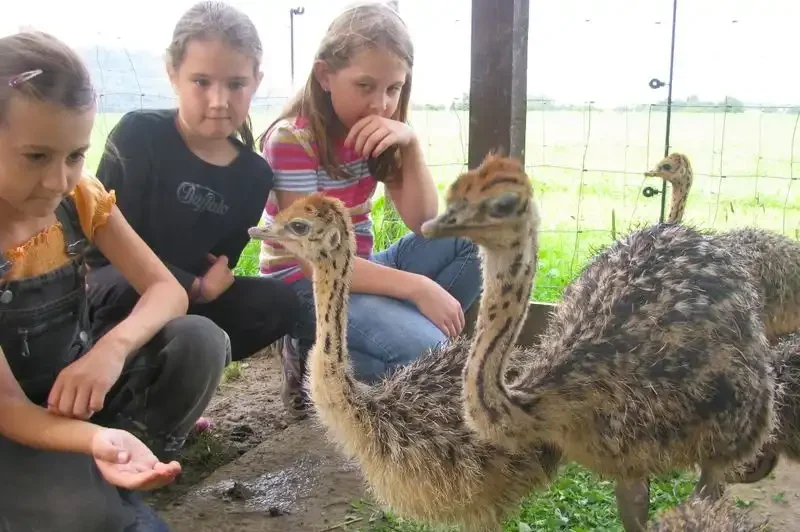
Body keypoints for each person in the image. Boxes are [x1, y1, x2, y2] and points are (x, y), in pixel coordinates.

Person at [0, 31, 231, 531]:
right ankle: (100, 475)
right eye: (36, 157)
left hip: (79, 393)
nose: (59, 179)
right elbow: (7, 407)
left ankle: (128, 461)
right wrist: (91, 441)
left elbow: (167, 290)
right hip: (12, 420)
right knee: (83, 514)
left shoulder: (79, 198)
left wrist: (110, 352)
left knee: (200, 340)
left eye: (75, 154)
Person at [258, 2, 482, 417]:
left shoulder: (380, 132)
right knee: (428, 350)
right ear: (326, 76)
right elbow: (316, 264)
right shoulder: (292, 140)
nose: (381, 103)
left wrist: (409, 145)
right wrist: (418, 288)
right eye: (365, 86)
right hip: (303, 286)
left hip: (360, 267)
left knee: (475, 244)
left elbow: (426, 223)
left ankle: (382, 345)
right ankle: (313, 359)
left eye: (393, 89)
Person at [86, 2, 300, 373]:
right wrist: (192, 286)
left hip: (188, 297)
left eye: (236, 84)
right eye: (202, 82)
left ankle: (179, 374)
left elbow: (218, 264)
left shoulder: (254, 175)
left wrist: (204, 287)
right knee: (127, 284)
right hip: (115, 288)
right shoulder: (139, 136)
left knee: (278, 302)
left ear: (256, 82)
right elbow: (96, 244)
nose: (219, 102)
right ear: (173, 74)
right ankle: (115, 375)